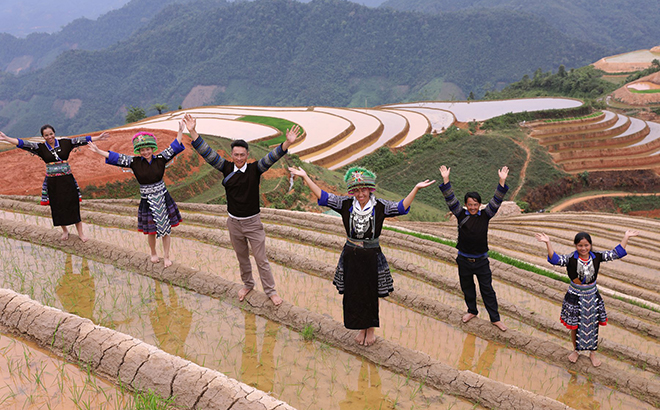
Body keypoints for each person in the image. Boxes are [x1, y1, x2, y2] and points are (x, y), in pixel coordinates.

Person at [289, 165, 435, 346]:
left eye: (363, 189)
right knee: (354, 293)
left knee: (370, 293)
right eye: (356, 190)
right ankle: (360, 328)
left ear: (370, 189)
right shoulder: (346, 204)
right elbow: (323, 196)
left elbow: (401, 207)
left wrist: (416, 189)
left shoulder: (380, 206)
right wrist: (305, 176)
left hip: (371, 255)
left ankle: (370, 330)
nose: (360, 194)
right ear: (352, 192)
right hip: (351, 254)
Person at [183, 113, 300, 306]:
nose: (238, 157)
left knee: (261, 260)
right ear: (232, 155)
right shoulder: (226, 167)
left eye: (242, 155)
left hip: (253, 223)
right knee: (242, 257)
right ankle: (248, 284)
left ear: (247, 155)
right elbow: (207, 153)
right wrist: (193, 131)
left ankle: (271, 291)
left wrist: (286, 143)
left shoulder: (255, 169)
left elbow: (271, 157)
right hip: (233, 223)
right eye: (235, 155)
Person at [87, 121, 185, 267]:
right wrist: (97, 151)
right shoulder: (134, 162)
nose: (145, 152)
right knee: (152, 231)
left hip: (162, 197)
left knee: (166, 229)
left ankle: (166, 256)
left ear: (153, 148)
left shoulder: (161, 159)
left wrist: (180, 131)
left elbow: (174, 147)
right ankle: (153, 253)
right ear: (138, 151)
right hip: (147, 200)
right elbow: (116, 157)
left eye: (148, 149)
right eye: (142, 150)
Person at [535, 230, 638, 366]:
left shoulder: (596, 256)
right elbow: (555, 260)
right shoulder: (571, 258)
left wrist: (626, 237)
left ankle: (592, 353)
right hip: (575, 295)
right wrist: (548, 243)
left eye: (586, 245)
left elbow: (616, 254)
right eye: (580, 246)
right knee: (574, 326)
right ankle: (576, 350)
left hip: (591, 295)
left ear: (590, 245)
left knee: (593, 324)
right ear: (575, 246)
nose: (583, 248)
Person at [0, 126, 108, 241]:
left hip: (67, 180)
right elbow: (23, 143)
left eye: (51, 134)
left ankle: (80, 233)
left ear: (54, 133)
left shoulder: (65, 143)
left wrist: (98, 138)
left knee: (73, 204)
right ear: (43, 137)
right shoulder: (40, 147)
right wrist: (6, 138)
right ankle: (65, 231)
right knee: (57, 206)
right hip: (53, 182)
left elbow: (80, 140)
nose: (49, 137)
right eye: (46, 135)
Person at [438, 165, 509, 332]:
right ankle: (472, 311)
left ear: (480, 204)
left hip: (481, 261)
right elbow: (449, 198)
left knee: (487, 290)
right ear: (465, 205)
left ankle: (495, 318)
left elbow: (497, 199)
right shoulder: (460, 214)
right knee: (467, 287)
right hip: (463, 259)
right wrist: (445, 179)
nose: (472, 207)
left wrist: (502, 181)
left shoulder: (486, 215)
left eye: (475, 204)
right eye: (469, 204)